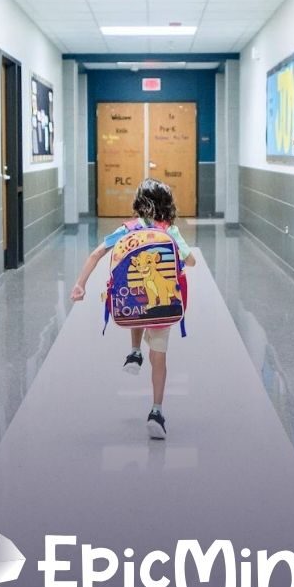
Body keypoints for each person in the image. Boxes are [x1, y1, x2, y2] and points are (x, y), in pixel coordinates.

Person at [71, 178, 196, 439]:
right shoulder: (170, 231)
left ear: (139, 203)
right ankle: (156, 411)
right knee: (159, 356)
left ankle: (135, 351)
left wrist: (80, 285)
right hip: (164, 304)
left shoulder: (127, 229)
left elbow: (96, 254)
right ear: (167, 204)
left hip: (133, 302)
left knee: (136, 302)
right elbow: (191, 261)